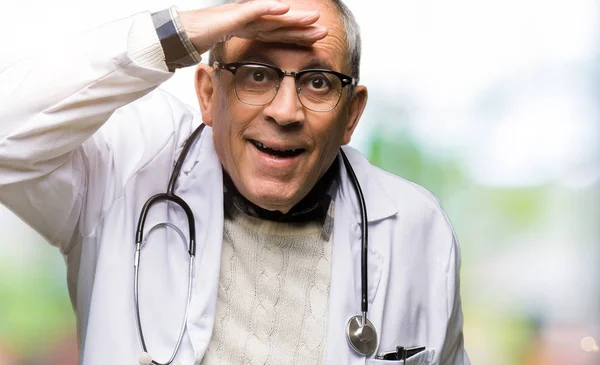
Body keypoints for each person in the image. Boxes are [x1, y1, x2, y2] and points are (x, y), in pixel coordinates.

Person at [0, 0, 470, 364]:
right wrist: (177, 34)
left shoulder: (417, 229)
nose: (285, 112)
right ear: (208, 94)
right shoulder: (125, 166)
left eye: (318, 82)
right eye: (256, 74)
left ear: (352, 114)